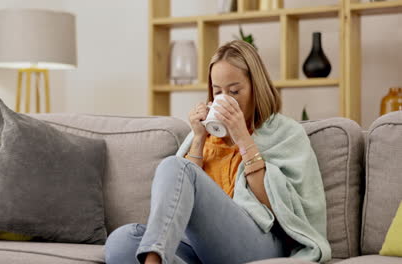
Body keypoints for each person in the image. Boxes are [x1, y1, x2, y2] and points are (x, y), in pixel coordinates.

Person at [104, 40, 331, 264]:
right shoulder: (202, 135)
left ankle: (153, 261)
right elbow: (180, 194)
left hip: (259, 241)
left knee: (174, 166)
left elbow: (281, 210)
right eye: (217, 92)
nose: (225, 99)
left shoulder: (285, 133)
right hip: (199, 246)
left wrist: (243, 137)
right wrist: (199, 138)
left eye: (234, 91)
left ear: (256, 87)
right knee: (122, 241)